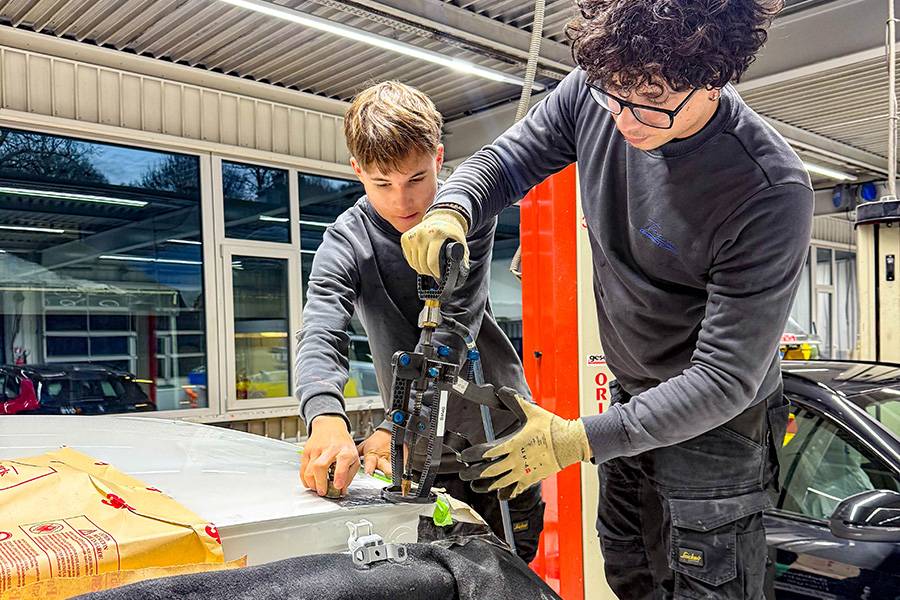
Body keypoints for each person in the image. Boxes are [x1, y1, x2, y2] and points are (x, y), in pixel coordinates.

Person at [400, 0, 813, 597]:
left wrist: (576, 440)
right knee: (628, 569)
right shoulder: (601, 90)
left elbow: (725, 379)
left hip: (718, 430)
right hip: (630, 400)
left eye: (650, 104)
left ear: (715, 79)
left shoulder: (769, 190)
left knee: (705, 586)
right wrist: (453, 205)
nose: (623, 121)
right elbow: (508, 159)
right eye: (611, 97)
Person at [295, 81, 544, 562]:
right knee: (440, 576)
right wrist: (324, 415)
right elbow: (322, 325)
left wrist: (397, 423)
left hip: (500, 435)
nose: (402, 201)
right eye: (381, 183)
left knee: (513, 571)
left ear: (438, 157)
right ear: (357, 171)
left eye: (416, 179)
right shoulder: (346, 239)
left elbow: (456, 323)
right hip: (419, 455)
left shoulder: (465, 210)